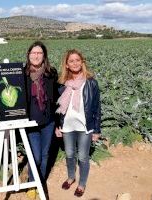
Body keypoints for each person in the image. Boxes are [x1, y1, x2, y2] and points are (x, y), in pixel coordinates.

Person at [55, 49, 101, 197]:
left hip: (84, 126)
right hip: (67, 125)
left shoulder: (91, 82)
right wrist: (58, 125)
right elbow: (58, 107)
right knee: (69, 154)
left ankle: (82, 184)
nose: (75, 63)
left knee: (82, 157)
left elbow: (97, 107)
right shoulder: (62, 84)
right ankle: (71, 177)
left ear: (82, 62)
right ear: (67, 65)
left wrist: (96, 130)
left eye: (77, 60)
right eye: (71, 61)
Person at [24, 41, 58, 199]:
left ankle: (40, 182)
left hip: (48, 122)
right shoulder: (22, 75)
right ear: (28, 55)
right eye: (33, 53)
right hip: (30, 123)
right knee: (35, 156)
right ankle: (31, 182)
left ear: (44, 56)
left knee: (44, 155)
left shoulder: (51, 73)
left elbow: (57, 99)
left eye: (39, 53)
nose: (36, 56)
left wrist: (59, 123)